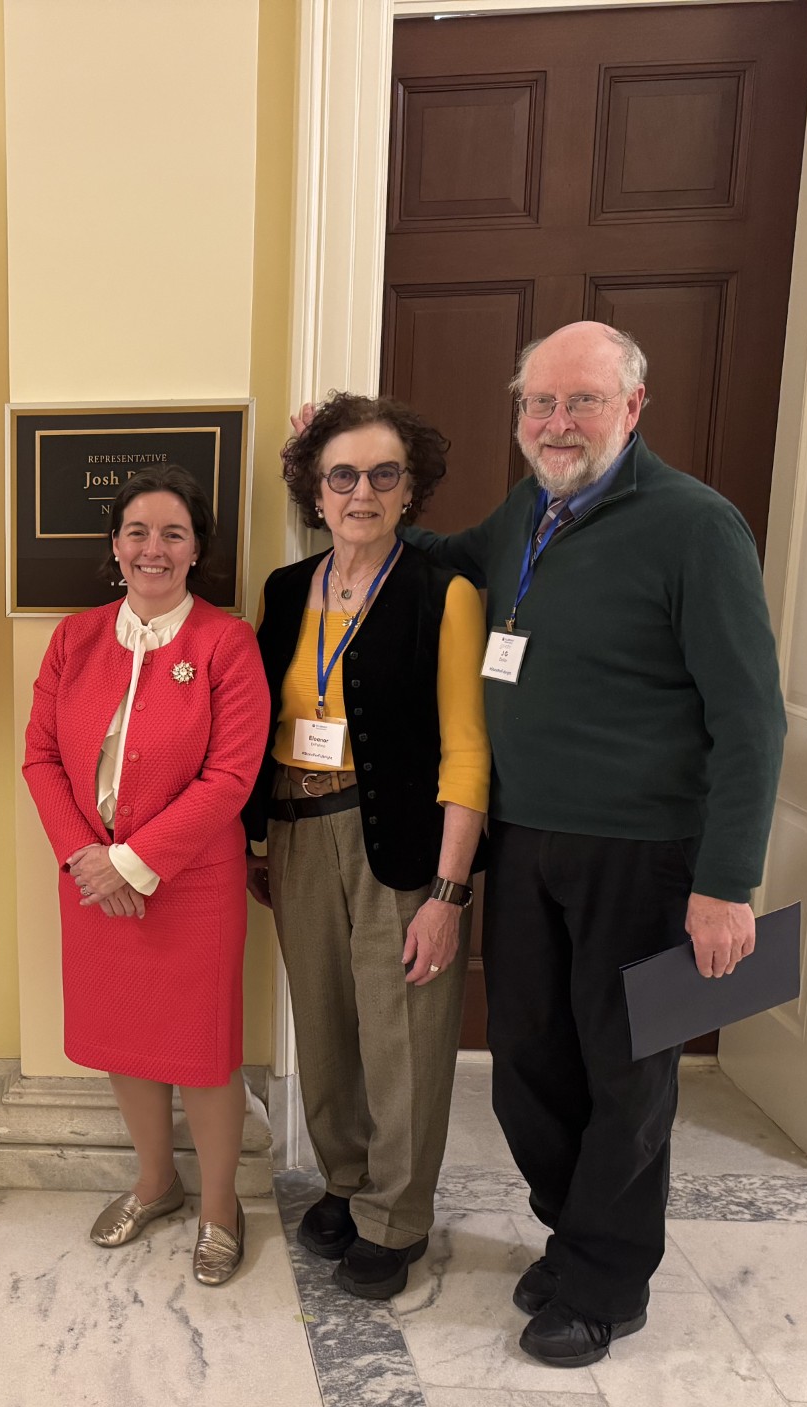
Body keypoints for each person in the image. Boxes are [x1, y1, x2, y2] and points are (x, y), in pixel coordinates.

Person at [406, 321, 785, 1365]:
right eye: (539, 402)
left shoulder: (696, 526)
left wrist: (726, 883)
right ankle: (576, 1234)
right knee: (527, 1062)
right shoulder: (528, 509)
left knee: (626, 1077)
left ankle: (605, 1284)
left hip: (648, 854)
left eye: (581, 400)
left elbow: (751, 720)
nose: (556, 422)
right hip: (527, 840)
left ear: (633, 406)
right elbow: (447, 557)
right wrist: (361, 503)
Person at [243, 394, 489, 1301]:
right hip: (296, 834)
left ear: (409, 488)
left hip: (397, 837)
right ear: (315, 490)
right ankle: (346, 1181)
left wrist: (448, 894)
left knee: (403, 1036)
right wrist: (255, 838)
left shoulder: (441, 593)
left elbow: (468, 749)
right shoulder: (284, 590)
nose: (362, 493)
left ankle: (397, 1215)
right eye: (341, 475)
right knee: (324, 1024)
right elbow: (259, 723)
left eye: (384, 475)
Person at [23, 464, 270, 1286]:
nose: (153, 548)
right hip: (91, 882)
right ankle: (157, 1183)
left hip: (192, 887)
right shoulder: (75, 638)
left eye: (173, 533)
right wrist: (88, 860)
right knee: (124, 1043)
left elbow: (231, 777)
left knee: (202, 1054)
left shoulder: (226, 643)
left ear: (197, 549)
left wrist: (133, 861)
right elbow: (41, 757)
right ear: (115, 545)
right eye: (137, 532)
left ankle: (220, 1207)